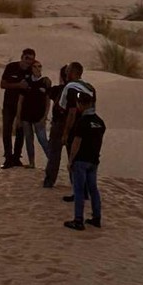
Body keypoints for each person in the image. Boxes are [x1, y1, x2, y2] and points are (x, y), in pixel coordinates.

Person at [64, 92, 105, 231]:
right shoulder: (99, 122)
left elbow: (76, 142)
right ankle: (97, 217)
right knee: (93, 189)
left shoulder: (82, 122)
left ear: (81, 104)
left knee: (79, 190)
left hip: (81, 160)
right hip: (94, 160)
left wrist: (70, 160)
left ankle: (78, 220)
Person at [58, 63, 97, 204]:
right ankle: (85, 191)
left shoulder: (70, 88)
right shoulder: (90, 88)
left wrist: (66, 133)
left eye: (67, 71)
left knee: (73, 160)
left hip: (76, 129)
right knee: (86, 159)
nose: (65, 74)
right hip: (90, 128)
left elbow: (72, 112)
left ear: (72, 73)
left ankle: (78, 192)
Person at [0, 48, 36, 168]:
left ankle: (16, 157)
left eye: (31, 59)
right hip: (9, 104)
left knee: (21, 131)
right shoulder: (11, 67)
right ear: (22, 57)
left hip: (24, 106)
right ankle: (8, 157)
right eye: (27, 58)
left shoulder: (32, 71)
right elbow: (3, 84)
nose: (29, 61)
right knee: (7, 130)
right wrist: (18, 85)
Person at [19, 59, 52, 168]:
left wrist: (45, 116)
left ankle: (52, 162)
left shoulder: (45, 82)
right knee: (28, 140)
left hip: (39, 116)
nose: (38, 69)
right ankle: (32, 163)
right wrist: (18, 116)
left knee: (42, 139)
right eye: (35, 66)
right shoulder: (27, 81)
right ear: (31, 68)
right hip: (26, 115)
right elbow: (21, 99)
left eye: (40, 66)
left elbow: (48, 101)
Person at [43, 64, 71, 188]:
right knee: (73, 155)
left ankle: (49, 181)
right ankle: (77, 183)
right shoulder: (78, 90)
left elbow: (47, 92)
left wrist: (45, 83)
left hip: (59, 125)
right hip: (74, 126)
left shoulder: (57, 90)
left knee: (54, 154)